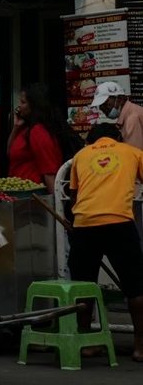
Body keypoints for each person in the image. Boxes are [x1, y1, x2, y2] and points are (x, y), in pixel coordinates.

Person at [65, 103, 143, 362]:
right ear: (117, 138)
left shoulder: (81, 156)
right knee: (135, 287)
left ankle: (87, 344)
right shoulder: (132, 152)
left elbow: (74, 195)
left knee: (83, 284)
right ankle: (140, 347)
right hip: (120, 222)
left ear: (92, 141)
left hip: (85, 223)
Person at [7, 85, 66, 186]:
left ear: (34, 105)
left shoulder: (38, 131)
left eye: (23, 102)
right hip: (19, 191)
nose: (19, 106)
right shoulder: (25, 129)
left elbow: (49, 171)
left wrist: (56, 200)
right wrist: (15, 128)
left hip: (33, 195)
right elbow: (9, 152)